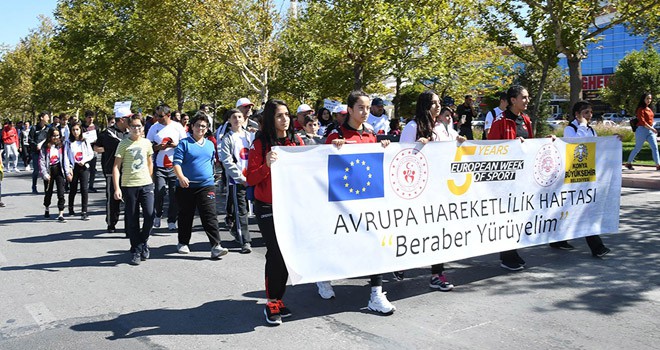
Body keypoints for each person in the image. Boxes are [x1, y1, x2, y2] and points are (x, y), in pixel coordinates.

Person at [325, 90, 396, 314]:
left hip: (367, 200)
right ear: (350, 110)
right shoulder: (336, 133)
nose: (365, 112)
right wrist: (332, 148)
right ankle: (323, 274)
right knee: (339, 244)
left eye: (367, 108)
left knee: (375, 242)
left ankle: (376, 293)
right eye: (361, 108)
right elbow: (320, 164)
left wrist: (382, 148)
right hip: (341, 203)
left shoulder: (370, 134)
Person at [399, 91, 466, 291]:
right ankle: (400, 263)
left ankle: (437, 274)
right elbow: (401, 154)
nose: (438, 107)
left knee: (438, 231)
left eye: (438, 103)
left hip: (439, 188)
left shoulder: (441, 128)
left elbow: (450, 150)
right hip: (416, 190)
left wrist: (459, 143)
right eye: (434, 103)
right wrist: (418, 147)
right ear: (424, 105)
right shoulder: (412, 127)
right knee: (412, 231)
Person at [246, 99, 303, 326]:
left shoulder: (295, 140)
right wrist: (266, 165)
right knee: (276, 252)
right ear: (271, 119)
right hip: (267, 206)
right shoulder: (259, 144)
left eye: (287, 114)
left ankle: (279, 299)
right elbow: (250, 178)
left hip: (290, 205)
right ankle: (271, 301)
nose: (285, 119)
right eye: (280, 115)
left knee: (286, 254)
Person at [550, 100, 612, 256]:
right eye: (585, 113)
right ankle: (597, 247)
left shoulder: (590, 129)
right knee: (583, 209)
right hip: (573, 176)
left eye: (590, 112)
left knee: (571, 208)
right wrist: (583, 126)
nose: (589, 116)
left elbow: (597, 146)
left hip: (587, 175)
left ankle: (557, 238)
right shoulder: (570, 129)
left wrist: (612, 141)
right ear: (577, 115)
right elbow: (577, 144)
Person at [488, 85, 533, 271]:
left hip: (520, 177)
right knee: (506, 217)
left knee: (517, 216)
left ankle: (512, 251)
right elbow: (490, 149)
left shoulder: (526, 120)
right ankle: (507, 256)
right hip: (504, 178)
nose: (527, 100)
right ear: (513, 100)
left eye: (528, 97)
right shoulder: (500, 121)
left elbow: (531, 145)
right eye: (524, 97)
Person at [173, 114, 229, 259]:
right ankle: (183, 242)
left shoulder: (210, 144)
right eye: (198, 125)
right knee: (186, 215)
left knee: (210, 215)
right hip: (186, 186)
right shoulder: (184, 143)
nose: (201, 128)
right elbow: (176, 163)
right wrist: (181, 177)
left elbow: (212, 162)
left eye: (204, 126)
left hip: (206, 185)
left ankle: (216, 246)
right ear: (192, 126)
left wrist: (213, 175)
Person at [113, 115, 155, 266]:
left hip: (146, 184)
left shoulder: (147, 143)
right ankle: (136, 249)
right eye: (133, 126)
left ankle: (143, 241)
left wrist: (149, 179)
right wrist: (117, 188)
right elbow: (116, 167)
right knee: (132, 218)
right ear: (128, 128)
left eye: (139, 126)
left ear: (143, 127)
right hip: (129, 185)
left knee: (150, 215)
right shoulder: (123, 144)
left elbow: (150, 163)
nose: (136, 129)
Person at [218, 109, 254, 253]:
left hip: (253, 178)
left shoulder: (249, 135)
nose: (237, 119)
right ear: (229, 120)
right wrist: (240, 178)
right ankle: (245, 240)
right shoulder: (227, 138)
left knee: (252, 209)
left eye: (240, 116)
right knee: (241, 210)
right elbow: (226, 161)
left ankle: (234, 227)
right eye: (234, 117)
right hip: (237, 181)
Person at [146, 103, 187, 231]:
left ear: (169, 115)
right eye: (156, 115)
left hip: (174, 165)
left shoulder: (177, 127)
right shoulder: (154, 127)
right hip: (159, 165)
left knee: (174, 194)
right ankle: (158, 214)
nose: (158, 118)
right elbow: (148, 145)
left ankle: (171, 220)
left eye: (160, 116)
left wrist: (175, 145)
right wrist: (159, 147)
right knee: (159, 192)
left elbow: (185, 144)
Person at [95, 114, 129, 233]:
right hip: (112, 169)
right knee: (113, 198)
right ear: (121, 120)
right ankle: (111, 223)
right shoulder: (108, 133)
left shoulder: (131, 133)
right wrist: (105, 150)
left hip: (128, 170)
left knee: (129, 199)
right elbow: (96, 147)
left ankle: (129, 226)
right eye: (128, 119)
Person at [39, 127, 71, 222]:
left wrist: (67, 172)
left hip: (59, 170)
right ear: (49, 136)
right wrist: (44, 173)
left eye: (57, 135)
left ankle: (61, 213)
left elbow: (65, 159)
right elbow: (41, 160)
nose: (55, 137)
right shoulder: (45, 147)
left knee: (61, 193)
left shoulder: (62, 146)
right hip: (49, 170)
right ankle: (47, 207)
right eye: (53, 135)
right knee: (48, 192)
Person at [66, 121, 94, 220]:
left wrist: (84, 160)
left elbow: (91, 154)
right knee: (73, 188)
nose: (75, 132)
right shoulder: (68, 142)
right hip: (73, 167)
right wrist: (69, 167)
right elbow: (67, 156)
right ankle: (70, 208)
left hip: (84, 167)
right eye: (73, 130)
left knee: (84, 189)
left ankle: (84, 211)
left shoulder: (85, 141)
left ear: (80, 130)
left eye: (77, 129)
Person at [625, 93, 659, 170]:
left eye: (650, 98)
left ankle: (658, 165)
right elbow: (642, 122)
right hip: (641, 130)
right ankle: (628, 163)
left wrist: (651, 128)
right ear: (643, 99)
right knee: (638, 148)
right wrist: (652, 129)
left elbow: (650, 120)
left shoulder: (650, 109)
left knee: (655, 148)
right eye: (647, 98)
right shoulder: (640, 109)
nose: (649, 100)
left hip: (650, 131)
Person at [29, 112, 51, 193]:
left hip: (46, 152)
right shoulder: (34, 128)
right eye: (47, 117)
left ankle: (47, 188)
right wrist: (36, 146)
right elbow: (30, 140)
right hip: (36, 152)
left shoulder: (48, 128)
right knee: (36, 170)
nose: (48, 118)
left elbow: (50, 138)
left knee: (47, 169)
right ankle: (34, 186)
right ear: (41, 118)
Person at [83, 110, 99, 193]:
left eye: (92, 117)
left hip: (93, 150)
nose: (91, 119)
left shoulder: (96, 127)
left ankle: (91, 186)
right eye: (89, 117)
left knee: (93, 169)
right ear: (86, 118)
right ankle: (84, 185)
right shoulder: (82, 127)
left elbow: (99, 138)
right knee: (85, 168)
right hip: (84, 150)